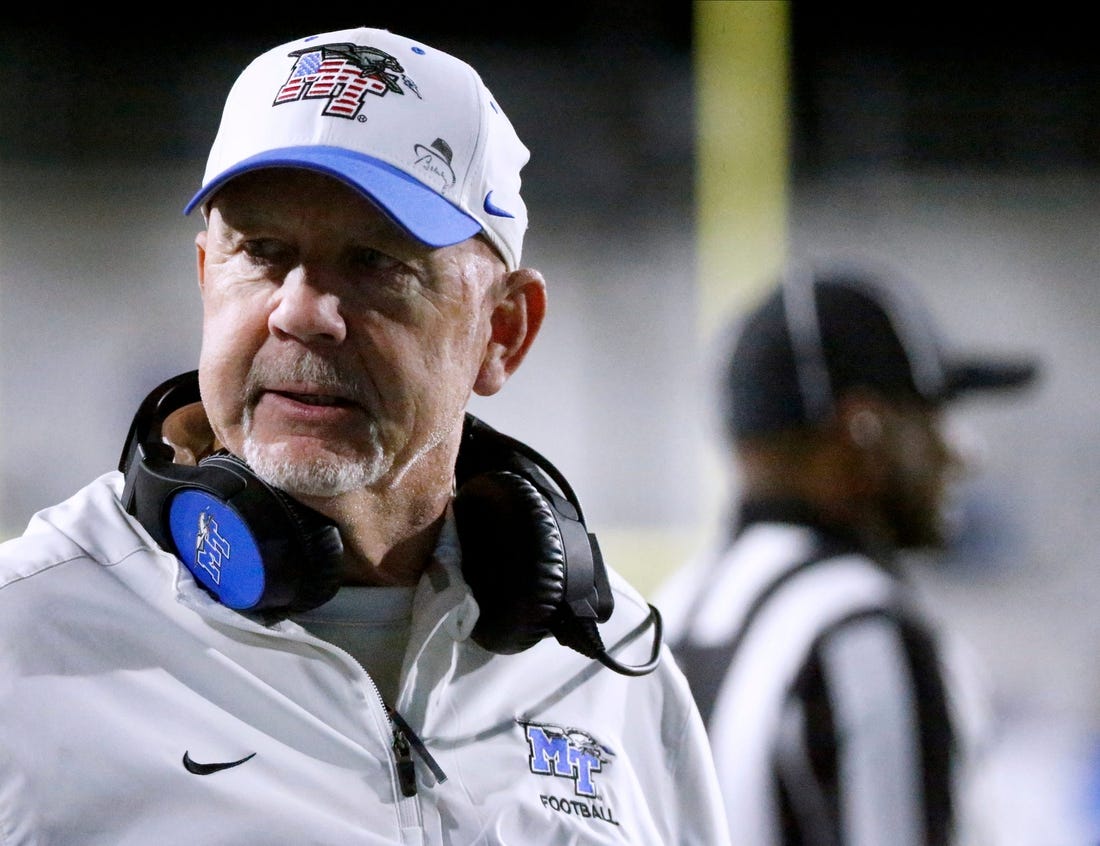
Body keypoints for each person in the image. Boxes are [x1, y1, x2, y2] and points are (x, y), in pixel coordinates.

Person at [0, 26, 730, 845]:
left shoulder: (609, 669)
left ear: (505, 331)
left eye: (377, 262)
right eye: (264, 253)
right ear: (207, 277)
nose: (301, 311)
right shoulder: (22, 644)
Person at [655, 260, 1038, 846]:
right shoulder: (861, 631)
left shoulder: (663, 618)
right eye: (932, 416)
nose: (961, 454)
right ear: (865, 429)